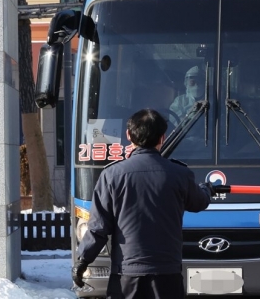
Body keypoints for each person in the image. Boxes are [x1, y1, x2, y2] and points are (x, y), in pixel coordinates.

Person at [71, 108, 215, 299]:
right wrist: (207, 189)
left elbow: (99, 228)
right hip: (167, 273)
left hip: (126, 274)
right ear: (162, 138)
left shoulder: (111, 176)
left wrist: (82, 261)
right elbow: (199, 202)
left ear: (128, 135)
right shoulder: (180, 174)